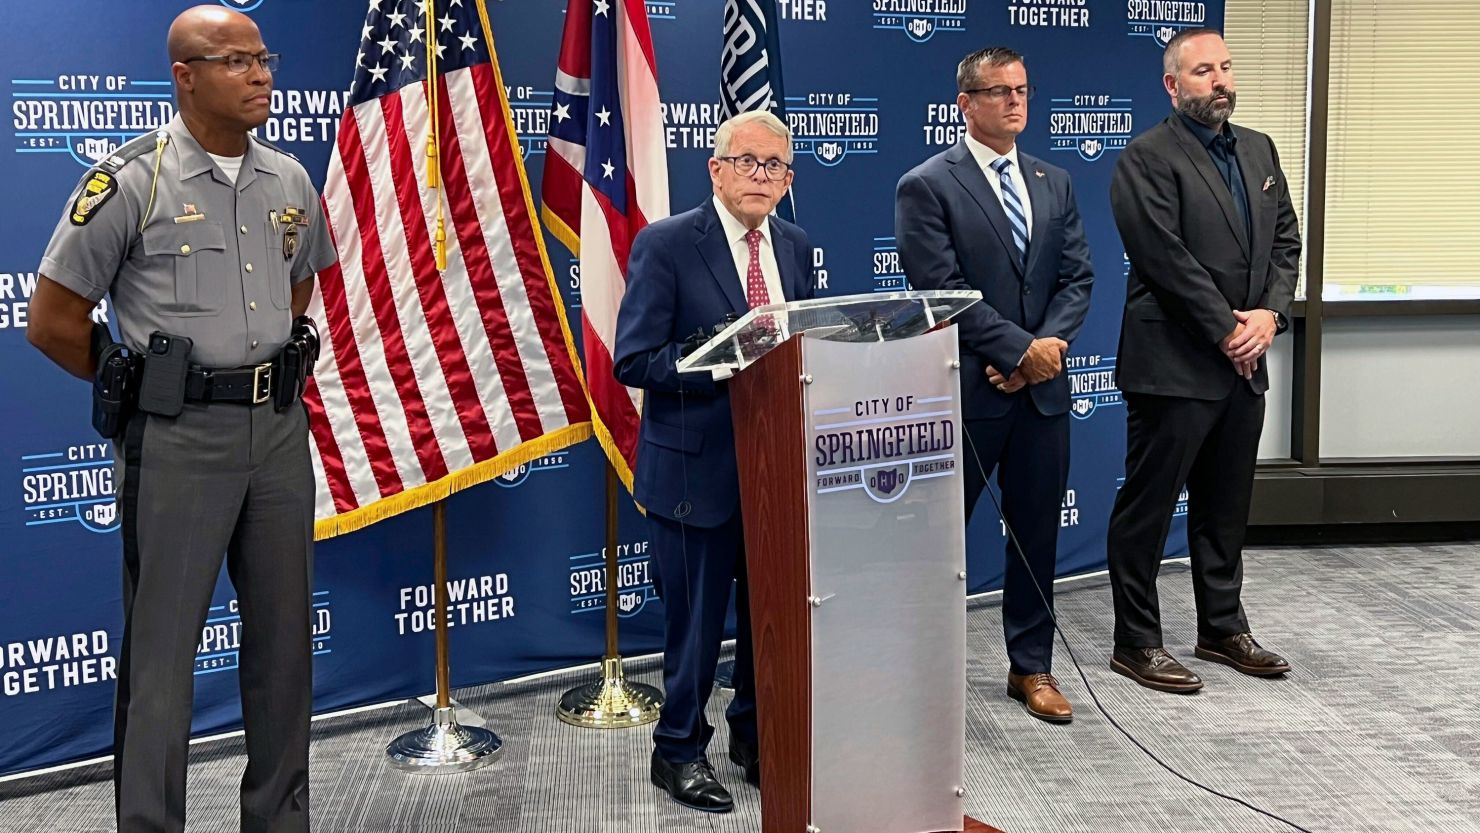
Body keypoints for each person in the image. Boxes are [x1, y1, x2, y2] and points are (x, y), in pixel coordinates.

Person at [26, 6, 336, 831]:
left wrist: (265, 353)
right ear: (185, 76)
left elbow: (301, 279)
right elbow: (52, 317)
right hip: (176, 442)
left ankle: (280, 820)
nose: (260, 74)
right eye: (234, 61)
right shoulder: (132, 180)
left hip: (276, 434)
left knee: (283, 648)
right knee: (161, 661)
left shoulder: (291, 180)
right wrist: (140, 381)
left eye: (262, 57)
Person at [613, 110, 814, 812]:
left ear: (788, 180)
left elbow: (804, 349)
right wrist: (723, 360)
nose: (761, 177)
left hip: (777, 476)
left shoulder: (795, 245)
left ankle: (756, 738)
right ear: (715, 169)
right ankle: (677, 750)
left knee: (771, 622)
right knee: (694, 634)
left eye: (775, 167)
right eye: (748, 162)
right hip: (694, 474)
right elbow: (633, 358)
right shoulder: (666, 244)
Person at [894, 47, 1094, 723]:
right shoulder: (927, 184)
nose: (1014, 101)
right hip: (967, 394)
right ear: (965, 103)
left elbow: (1077, 278)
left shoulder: (1054, 180)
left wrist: (1041, 353)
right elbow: (940, 289)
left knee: (1036, 534)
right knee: (939, 543)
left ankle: (1031, 666)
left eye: (1022, 90)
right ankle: (921, 674)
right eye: (998, 91)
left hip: (1039, 396)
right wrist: (1016, 350)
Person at [1105, 28, 1300, 693]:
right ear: (1173, 85)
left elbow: (1286, 241)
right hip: (1174, 365)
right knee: (1148, 508)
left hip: (1244, 363)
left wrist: (1270, 315)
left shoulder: (1260, 148)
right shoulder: (1146, 158)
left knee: (1225, 506)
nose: (1219, 80)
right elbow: (1164, 260)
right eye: (1202, 71)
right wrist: (1228, 329)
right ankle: (1136, 641)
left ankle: (1221, 625)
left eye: (1225, 67)